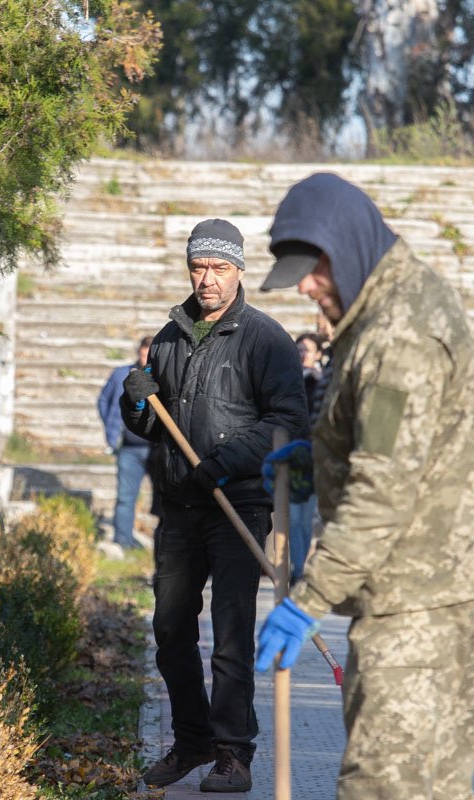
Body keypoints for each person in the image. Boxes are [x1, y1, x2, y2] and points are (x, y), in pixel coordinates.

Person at [254, 173, 474, 799]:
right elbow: (389, 441)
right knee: (431, 788)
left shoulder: (400, 334)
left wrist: (308, 599)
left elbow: (384, 489)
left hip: (416, 603)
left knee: (385, 786)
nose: (306, 287)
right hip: (428, 590)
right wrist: (324, 456)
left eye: (314, 267)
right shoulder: (386, 307)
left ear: (347, 243)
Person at [120, 218, 308, 792]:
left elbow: (289, 422)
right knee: (171, 628)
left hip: (238, 505)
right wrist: (138, 406)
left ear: (238, 271)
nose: (207, 279)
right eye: (199, 267)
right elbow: (158, 428)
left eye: (219, 268)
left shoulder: (265, 339)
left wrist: (224, 461)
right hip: (179, 507)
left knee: (231, 632)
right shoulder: (171, 334)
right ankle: (192, 740)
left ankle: (234, 752)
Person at [96, 335, 153, 550]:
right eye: (142, 353)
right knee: (125, 497)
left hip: (156, 449)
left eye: (149, 354)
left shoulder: (164, 375)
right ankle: (123, 542)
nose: (144, 358)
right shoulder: (121, 374)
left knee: (165, 499)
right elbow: (103, 400)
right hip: (128, 448)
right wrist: (112, 428)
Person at [290, 332, 325, 583]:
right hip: (292, 455)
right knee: (294, 517)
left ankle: (310, 568)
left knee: (312, 517)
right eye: (299, 349)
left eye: (308, 350)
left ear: (318, 355)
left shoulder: (321, 382)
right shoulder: (289, 382)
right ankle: (298, 568)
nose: (303, 355)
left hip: (316, 456)